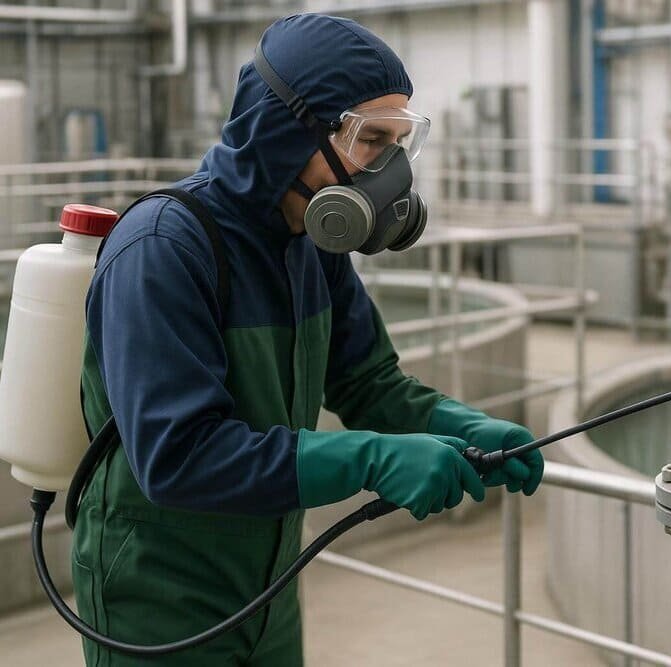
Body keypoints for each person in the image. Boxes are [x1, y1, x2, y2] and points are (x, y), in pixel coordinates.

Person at [72, 14, 543, 666]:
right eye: (370, 140)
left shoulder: (310, 244)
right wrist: (371, 459)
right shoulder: (163, 248)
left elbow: (367, 381)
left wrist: (462, 425)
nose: (388, 169)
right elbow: (178, 457)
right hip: (157, 600)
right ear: (287, 130)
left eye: (398, 144)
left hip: (269, 589)